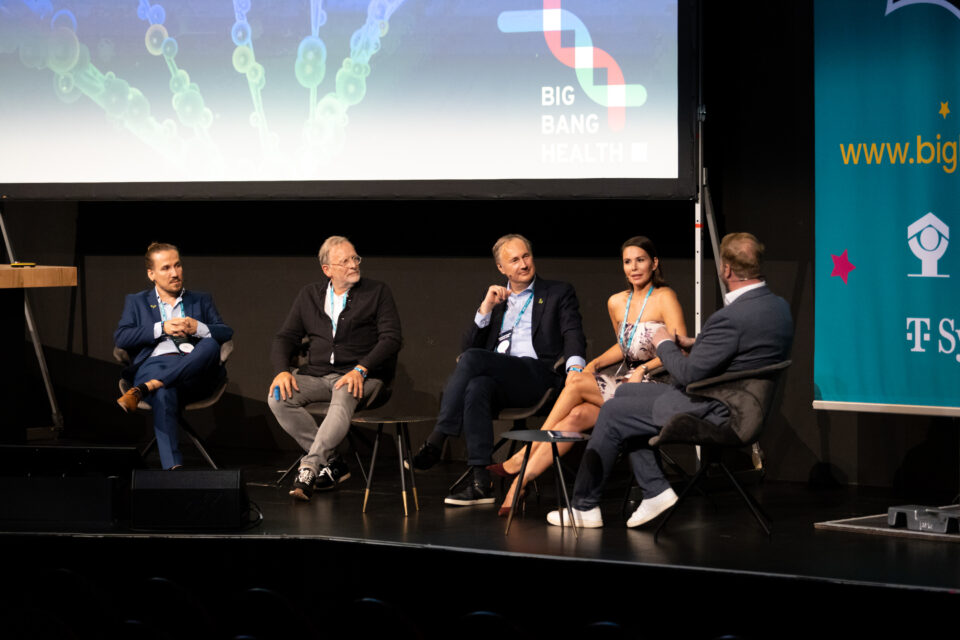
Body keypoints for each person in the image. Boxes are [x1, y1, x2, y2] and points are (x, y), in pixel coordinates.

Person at [548, 232, 793, 528]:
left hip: (717, 409)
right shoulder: (778, 307)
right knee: (624, 398)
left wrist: (664, 342)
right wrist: (698, 343)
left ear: (726, 269)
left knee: (613, 410)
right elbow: (742, 350)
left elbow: (687, 373)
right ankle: (655, 490)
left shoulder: (730, 317)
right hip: (742, 404)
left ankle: (585, 506)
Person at [490, 236, 685, 515]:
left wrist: (642, 368)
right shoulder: (617, 302)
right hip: (626, 382)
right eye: (628, 262)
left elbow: (678, 348)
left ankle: (524, 453)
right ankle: (519, 484)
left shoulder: (665, 297)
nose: (634, 267)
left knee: (576, 380)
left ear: (654, 263)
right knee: (575, 417)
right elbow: (625, 345)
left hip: (657, 384)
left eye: (640, 260)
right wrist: (594, 362)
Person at [412, 234, 587, 506]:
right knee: (476, 386)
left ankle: (439, 436)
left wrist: (575, 368)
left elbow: (573, 332)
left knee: (473, 362)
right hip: (503, 380)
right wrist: (485, 308)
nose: (523, 264)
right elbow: (467, 349)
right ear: (501, 268)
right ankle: (482, 481)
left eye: (526, 256)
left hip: (538, 375)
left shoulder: (557, 292)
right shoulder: (496, 301)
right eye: (514, 260)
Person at [268, 236, 402, 501]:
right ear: (327, 269)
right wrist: (282, 370)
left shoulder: (377, 292)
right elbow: (285, 337)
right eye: (344, 262)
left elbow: (392, 339)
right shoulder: (309, 295)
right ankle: (333, 463)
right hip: (317, 374)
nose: (353, 265)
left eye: (355, 258)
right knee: (278, 397)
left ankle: (310, 467)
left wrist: (361, 368)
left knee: (343, 391)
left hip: (365, 377)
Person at [115, 242, 233, 470]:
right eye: (166, 268)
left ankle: (148, 387)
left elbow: (226, 332)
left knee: (209, 345)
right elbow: (121, 337)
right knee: (165, 391)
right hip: (155, 364)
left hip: (195, 372)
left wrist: (198, 327)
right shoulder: (137, 301)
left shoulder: (201, 299)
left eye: (177, 265)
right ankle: (174, 470)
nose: (174, 273)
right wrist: (162, 328)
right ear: (151, 274)